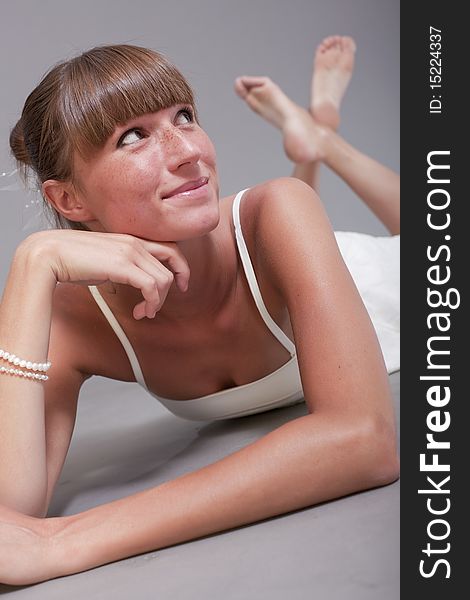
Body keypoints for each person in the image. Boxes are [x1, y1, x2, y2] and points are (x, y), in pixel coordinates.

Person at [0, 36, 399, 585]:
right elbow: (12, 507)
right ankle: (314, 140)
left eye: (184, 117)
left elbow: (364, 440)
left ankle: (321, 138)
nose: (189, 152)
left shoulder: (278, 206)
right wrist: (31, 264)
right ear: (69, 201)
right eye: (132, 137)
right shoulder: (77, 317)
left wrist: (66, 542)